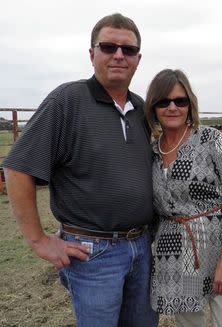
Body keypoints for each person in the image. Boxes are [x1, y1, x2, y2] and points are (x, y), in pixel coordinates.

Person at [2, 13, 158, 327]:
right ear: (92, 54)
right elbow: (17, 168)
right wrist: (38, 240)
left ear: (138, 59)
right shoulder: (67, 101)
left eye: (128, 50)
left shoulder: (143, 109)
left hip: (142, 248)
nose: (118, 55)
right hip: (93, 254)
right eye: (109, 46)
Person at [144, 69, 222, 327]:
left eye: (180, 101)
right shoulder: (150, 153)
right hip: (173, 256)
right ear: (153, 107)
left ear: (189, 104)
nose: (172, 107)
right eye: (164, 101)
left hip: (220, 247)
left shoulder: (211, 141)